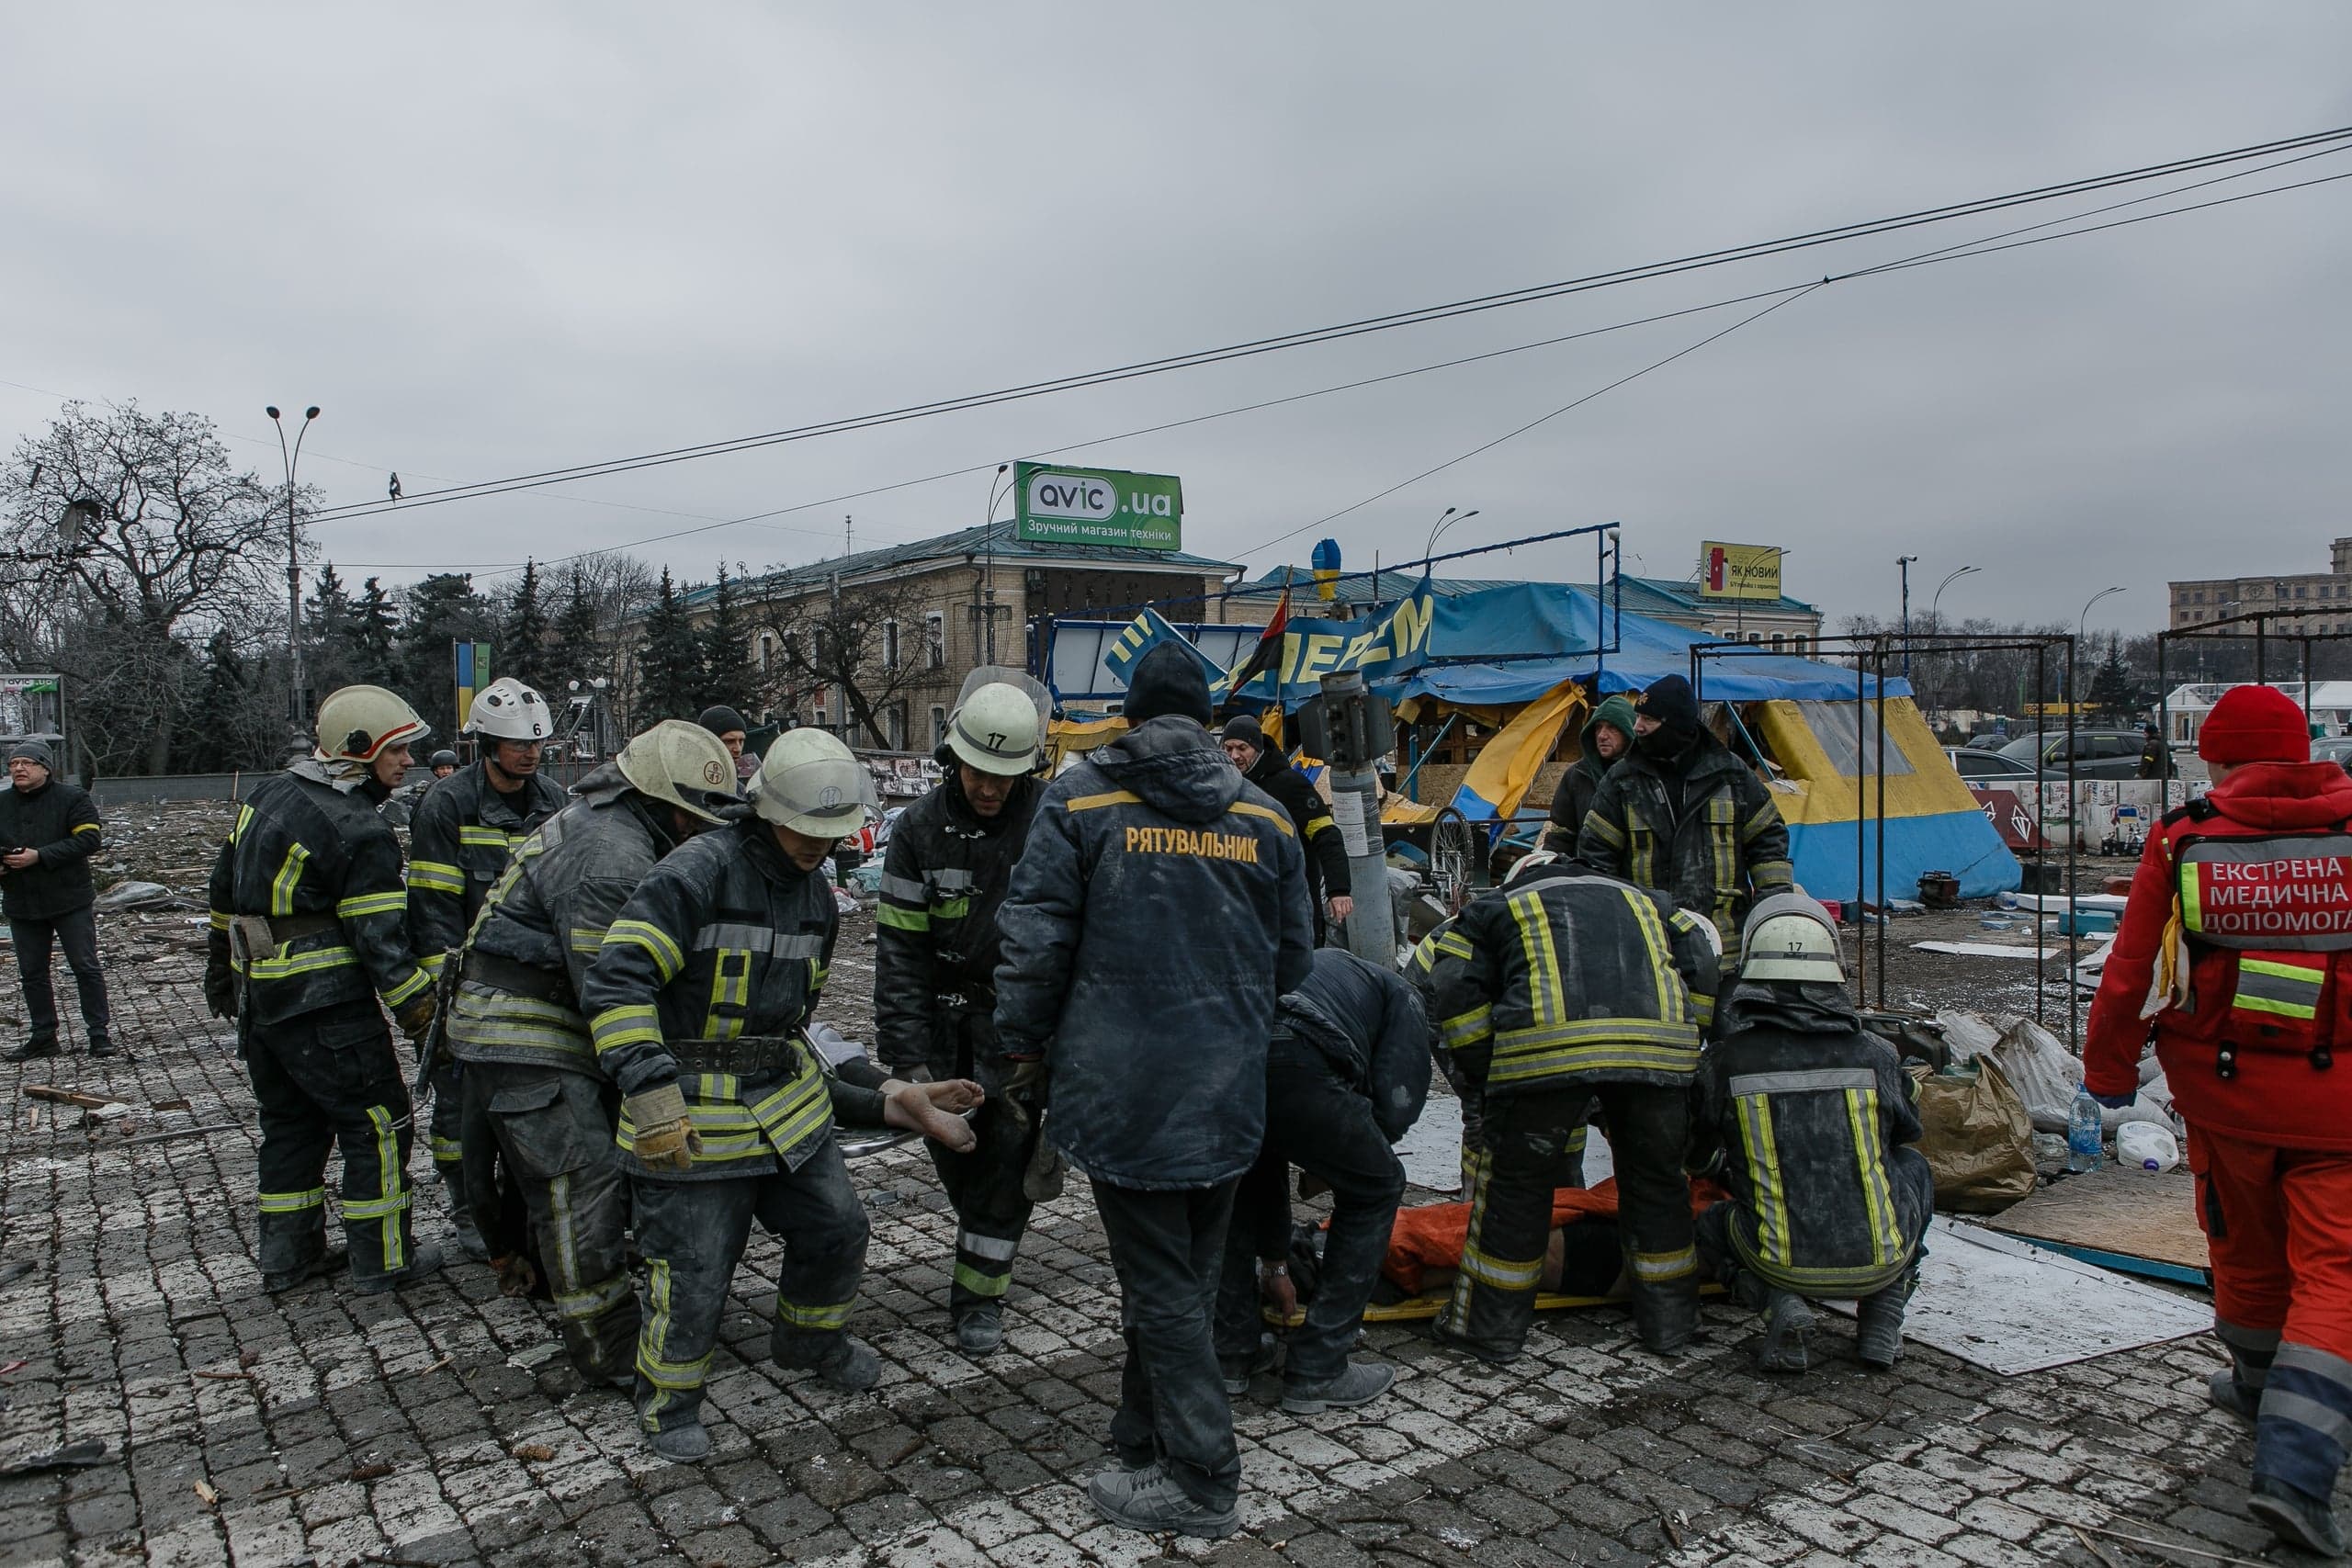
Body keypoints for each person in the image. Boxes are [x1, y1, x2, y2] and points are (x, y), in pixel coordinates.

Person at [997, 642, 1313, 1540]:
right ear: (1210, 722)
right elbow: (1296, 960)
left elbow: (1034, 941)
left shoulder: (1082, 800)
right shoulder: (1266, 817)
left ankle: (1204, 1479)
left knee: (1161, 1287)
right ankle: (1139, 1438)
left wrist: (1020, 1050)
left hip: (1123, 1090)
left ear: (1131, 718)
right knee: (1183, 1274)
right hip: (1225, 1092)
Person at [2084, 683, 2352, 1556]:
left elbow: (2129, 966)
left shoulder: (2188, 834)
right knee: (2335, 1270)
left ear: (2222, 757)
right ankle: (2297, 1468)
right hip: (2339, 1106)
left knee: (2238, 1233)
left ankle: (2255, 1381)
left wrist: (2111, 1068)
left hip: (2222, 1091)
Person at [581, 730, 890, 1463]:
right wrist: (649, 1088)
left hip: (782, 1103)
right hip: (690, 1106)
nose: (818, 844)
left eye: (829, 832)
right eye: (804, 829)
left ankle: (809, 1339)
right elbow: (618, 979)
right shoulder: (695, 873)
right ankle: (668, 1401)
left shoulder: (818, 894)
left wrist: (869, 1091)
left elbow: (802, 1016)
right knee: (692, 1266)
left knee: (839, 1226)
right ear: (765, 810)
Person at [447, 720, 743, 1384]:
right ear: (662, 800)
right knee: (581, 1184)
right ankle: (608, 1348)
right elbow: (610, 992)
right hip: (528, 1027)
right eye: (690, 817)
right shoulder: (614, 854)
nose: (696, 833)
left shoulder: (602, 818)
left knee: (547, 1179)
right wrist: (664, 1073)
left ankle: (538, 1273)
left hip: (506, 1017)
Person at [1430, 849, 1720, 1360]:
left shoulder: (1496, 906)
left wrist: (1486, 1066)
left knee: (1517, 1192)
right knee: (1657, 1185)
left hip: (1543, 1056)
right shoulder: (1649, 901)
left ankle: (1489, 1330)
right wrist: (1684, 1041)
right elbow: (1700, 952)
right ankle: (1672, 1324)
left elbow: (1455, 982)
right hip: (1654, 1051)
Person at [202, 686, 442, 1294]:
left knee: (292, 1127)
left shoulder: (269, 794)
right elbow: (383, 944)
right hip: (327, 1006)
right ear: (359, 752)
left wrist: (219, 972)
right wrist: (427, 1020)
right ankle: (384, 1259)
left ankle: (287, 1259)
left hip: (263, 1002)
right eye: (397, 751)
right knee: (381, 1124)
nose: (407, 761)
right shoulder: (357, 828)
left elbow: (222, 890)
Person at [874, 680, 1047, 1356]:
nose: (989, 788)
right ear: (954, 758)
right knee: (962, 1158)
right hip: (944, 1025)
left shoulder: (1048, 817)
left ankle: (978, 1299)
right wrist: (907, 1063)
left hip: (1019, 1027)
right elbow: (899, 952)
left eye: (1005, 776)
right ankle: (984, 1257)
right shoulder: (917, 830)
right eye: (978, 772)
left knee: (1007, 1169)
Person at [1690, 893, 1932, 1374]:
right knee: (1915, 1169)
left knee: (1705, 1226)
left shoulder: (1724, 1061)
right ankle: (1883, 1310)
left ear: (1752, 975)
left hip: (1775, 1257)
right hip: (1880, 1255)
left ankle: (1779, 1303)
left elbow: (1693, 1154)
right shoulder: (1877, 1053)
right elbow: (1906, 1133)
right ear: (1833, 972)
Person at [1212, 948, 1424, 1415]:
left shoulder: (1331, 969)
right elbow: (1396, 1105)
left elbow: (1267, 1178)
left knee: (1241, 1181)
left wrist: (1276, 1264)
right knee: (1378, 1185)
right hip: (1298, 1048)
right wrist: (1336, 1165)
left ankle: (1231, 1354)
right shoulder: (1405, 995)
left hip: (1229, 1052)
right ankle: (1320, 1366)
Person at [406, 676, 567, 1258]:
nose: (529, 752)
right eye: (515, 743)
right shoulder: (447, 805)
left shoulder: (554, 802)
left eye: (536, 744)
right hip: (468, 981)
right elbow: (431, 911)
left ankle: (527, 1200)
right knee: (459, 1107)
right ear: (484, 744)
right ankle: (466, 1205)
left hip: (535, 982)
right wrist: (439, 1003)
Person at [1578, 674, 1793, 964]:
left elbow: (1769, 843)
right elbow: (1595, 859)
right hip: (1650, 947)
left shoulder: (1732, 777)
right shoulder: (1623, 782)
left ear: (1677, 727)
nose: (1637, 727)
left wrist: (1771, 915)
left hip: (1724, 951)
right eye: (1638, 717)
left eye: (1648, 720)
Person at [1, 740, 112, 1060]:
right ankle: (43, 1036)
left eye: (27, 763)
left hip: (69, 899)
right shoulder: (2, 803)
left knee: (85, 966)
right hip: (22, 902)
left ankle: (98, 1035)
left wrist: (41, 856)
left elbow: (89, 839)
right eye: (13, 764)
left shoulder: (72, 798)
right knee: (32, 973)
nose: (19, 769)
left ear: (45, 768)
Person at [1221, 715, 1352, 943]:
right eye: (1228, 748)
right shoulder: (1224, 787)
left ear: (1258, 748)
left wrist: (1338, 889)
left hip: (1292, 904)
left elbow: (1326, 834)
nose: (1234, 756)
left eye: (1242, 748)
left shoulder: (1289, 786)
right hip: (1242, 907)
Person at [1543, 694, 1638, 855]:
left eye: (1612, 728)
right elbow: (1560, 835)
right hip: (1586, 872)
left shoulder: (1642, 777)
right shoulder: (1577, 776)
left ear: (1627, 731)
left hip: (1627, 877)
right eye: (1598, 727)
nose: (1602, 735)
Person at [698, 705, 754, 792]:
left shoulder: (740, 789)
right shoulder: (692, 783)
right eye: (729, 741)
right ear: (709, 743)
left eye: (741, 741)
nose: (738, 749)